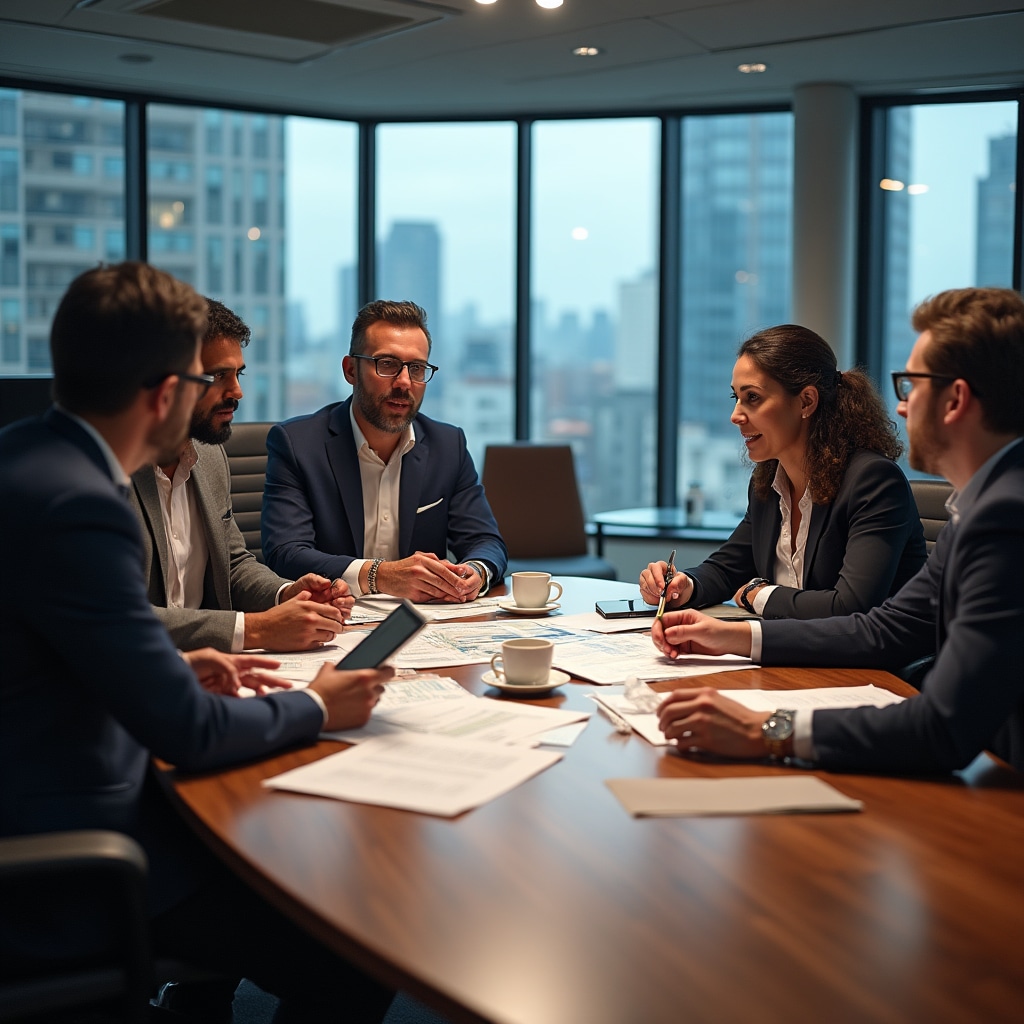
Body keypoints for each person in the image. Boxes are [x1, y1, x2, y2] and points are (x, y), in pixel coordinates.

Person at [0, 262, 395, 1022]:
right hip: (72, 859)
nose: (224, 393)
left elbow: (61, 653)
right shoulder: (81, 505)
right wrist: (320, 706)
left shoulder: (27, 456)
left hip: (59, 780)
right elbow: (187, 730)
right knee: (355, 944)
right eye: (203, 378)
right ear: (164, 394)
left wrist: (172, 665)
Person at [652, 287, 1024, 774]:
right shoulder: (980, 509)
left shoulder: (1004, 519)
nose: (902, 407)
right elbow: (883, 629)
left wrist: (767, 730)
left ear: (955, 400)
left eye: (910, 386)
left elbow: (942, 728)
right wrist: (729, 636)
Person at [639, 324, 926, 619]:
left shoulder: (873, 480)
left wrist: (757, 594)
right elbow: (728, 568)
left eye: (753, 397)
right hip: (792, 644)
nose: (735, 415)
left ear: (806, 401)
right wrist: (684, 585)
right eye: (736, 398)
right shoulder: (767, 482)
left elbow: (849, 607)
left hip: (870, 651)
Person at [131, 298, 354, 653]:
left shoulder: (208, 455)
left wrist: (286, 594)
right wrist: (256, 629)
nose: (237, 391)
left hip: (208, 666)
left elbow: (232, 565)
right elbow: (115, 615)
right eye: (218, 376)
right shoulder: (105, 473)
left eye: (238, 374)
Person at [262, 299, 508, 603]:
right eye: (387, 364)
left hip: (422, 619)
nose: (404, 382)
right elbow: (286, 553)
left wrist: (476, 572)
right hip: (335, 616)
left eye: (417, 368)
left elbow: (485, 541)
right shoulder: (297, 445)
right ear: (351, 370)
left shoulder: (448, 445)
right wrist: (379, 575)